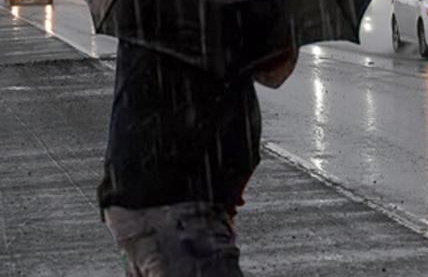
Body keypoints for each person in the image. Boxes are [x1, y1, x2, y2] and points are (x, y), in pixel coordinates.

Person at [98, 38, 297, 277]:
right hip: (177, 207)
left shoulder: (168, 11)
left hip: (153, 196)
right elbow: (274, 69)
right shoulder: (210, 14)